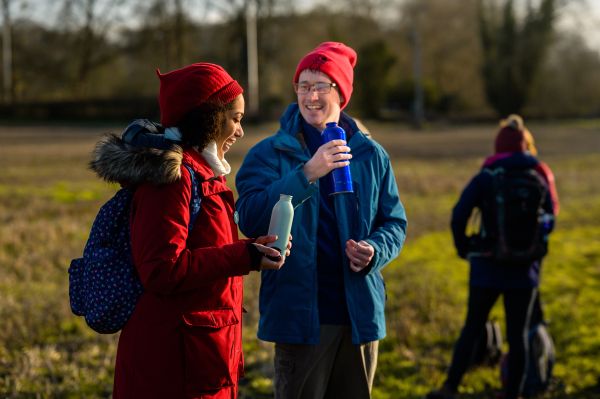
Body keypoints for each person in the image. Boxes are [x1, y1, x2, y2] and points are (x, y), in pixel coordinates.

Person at [90, 62, 290, 398]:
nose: (240, 131)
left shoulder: (203, 173)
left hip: (202, 356)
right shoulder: (173, 180)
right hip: (172, 365)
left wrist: (253, 248)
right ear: (209, 118)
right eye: (236, 119)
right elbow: (162, 269)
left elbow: (203, 249)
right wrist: (244, 256)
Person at [235, 42, 407, 399]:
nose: (311, 96)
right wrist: (307, 173)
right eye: (303, 85)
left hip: (359, 316)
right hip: (299, 320)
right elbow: (250, 218)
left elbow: (394, 222)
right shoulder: (269, 153)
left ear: (341, 94)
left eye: (321, 86)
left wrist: (374, 250)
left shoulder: (371, 154)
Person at [427, 115, 559, 399]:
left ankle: (450, 387)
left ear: (497, 147)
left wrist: (465, 248)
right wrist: (535, 251)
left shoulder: (486, 177)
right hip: (525, 271)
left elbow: (459, 215)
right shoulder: (537, 176)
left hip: (486, 266)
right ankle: (513, 394)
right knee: (518, 336)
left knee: (473, 326)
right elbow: (550, 219)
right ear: (525, 146)